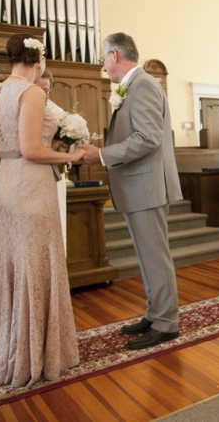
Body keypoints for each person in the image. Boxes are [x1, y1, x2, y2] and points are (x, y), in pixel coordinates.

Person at [0, 34, 85, 387]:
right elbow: (31, 150)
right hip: (30, 188)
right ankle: (34, 356)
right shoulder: (33, 91)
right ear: (38, 60)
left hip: (6, 186)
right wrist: (69, 155)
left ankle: (10, 350)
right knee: (38, 265)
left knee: (14, 264)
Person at [80, 32, 183, 350]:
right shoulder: (134, 86)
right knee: (146, 256)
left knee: (155, 256)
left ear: (114, 55)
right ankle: (155, 313)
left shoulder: (143, 85)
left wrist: (100, 154)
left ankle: (167, 322)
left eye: (102, 59)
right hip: (138, 185)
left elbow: (148, 138)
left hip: (146, 185)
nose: (103, 67)